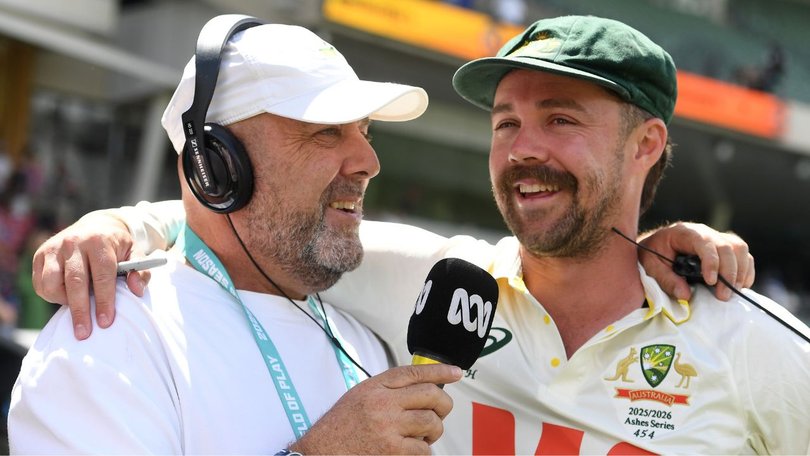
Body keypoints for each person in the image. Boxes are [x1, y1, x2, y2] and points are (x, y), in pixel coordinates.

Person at [24, 14, 802, 455]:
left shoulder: (746, 339)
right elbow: (231, 232)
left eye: (560, 120)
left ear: (647, 146)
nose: (524, 148)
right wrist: (115, 224)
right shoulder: (424, 285)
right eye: (506, 124)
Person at [8, 17, 463, 455]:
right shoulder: (110, 339)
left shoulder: (362, 340)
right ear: (217, 166)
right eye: (326, 131)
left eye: (365, 131)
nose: (369, 161)